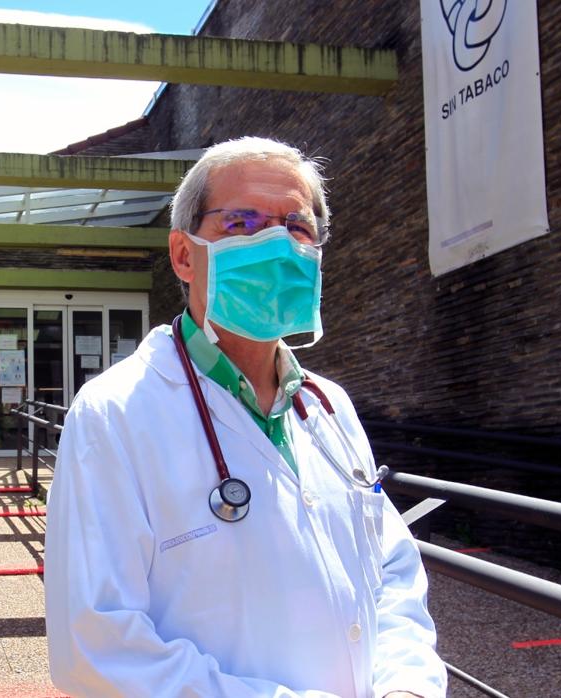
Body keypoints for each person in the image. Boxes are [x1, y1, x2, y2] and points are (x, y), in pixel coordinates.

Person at [44, 137, 446, 697]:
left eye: (297, 228)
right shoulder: (115, 414)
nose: (277, 244)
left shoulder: (330, 406)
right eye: (242, 223)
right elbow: (95, 649)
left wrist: (407, 687)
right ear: (185, 256)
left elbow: (392, 574)